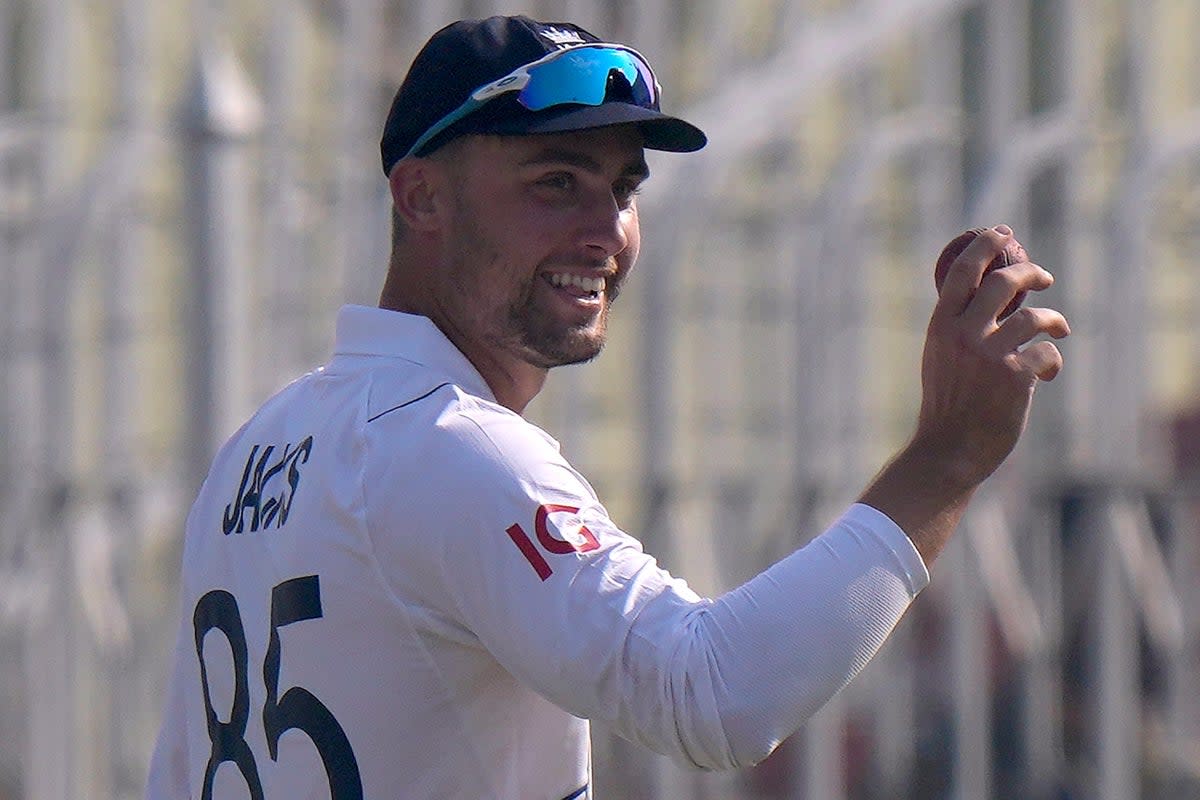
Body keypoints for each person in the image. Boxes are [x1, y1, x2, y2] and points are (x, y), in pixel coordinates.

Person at [144, 14, 1069, 800]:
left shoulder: (259, 447)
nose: (604, 231)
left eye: (623, 188)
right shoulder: (453, 450)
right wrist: (948, 458)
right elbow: (715, 694)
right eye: (556, 182)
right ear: (420, 197)